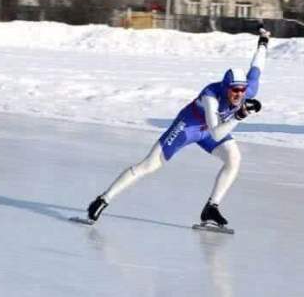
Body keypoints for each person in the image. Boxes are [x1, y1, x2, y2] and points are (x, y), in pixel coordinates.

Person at [86, 41, 267, 228]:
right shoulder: (211, 95)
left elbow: (256, 68)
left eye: (242, 90)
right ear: (225, 87)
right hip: (188, 127)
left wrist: (263, 43)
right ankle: (103, 199)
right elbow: (216, 133)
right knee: (150, 165)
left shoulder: (247, 90)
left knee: (234, 159)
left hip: (209, 131)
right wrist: (239, 116)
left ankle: (211, 208)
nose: (239, 94)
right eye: (234, 89)